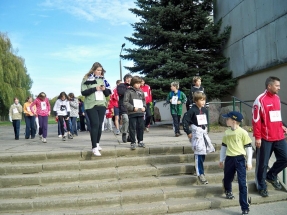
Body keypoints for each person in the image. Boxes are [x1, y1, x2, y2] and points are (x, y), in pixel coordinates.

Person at [252, 76, 287, 197]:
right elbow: (256, 120)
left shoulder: (277, 98)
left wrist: (281, 125)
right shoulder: (260, 100)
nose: (279, 88)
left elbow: (276, 116)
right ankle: (261, 186)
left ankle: (271, 175)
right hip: (265, 138)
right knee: (263, 163)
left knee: (285, 158)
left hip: (279, 136)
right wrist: (257, 137)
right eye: (277, 85)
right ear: (269, 86)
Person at [219, 111, 253, 215]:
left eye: (227, 119)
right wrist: (221, 159)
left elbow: (248, 148)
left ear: (234, 121)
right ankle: (228, 189)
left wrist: (249, 162)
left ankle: (245, 207)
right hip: (229, 159)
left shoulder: (243, 133)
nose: (226, 120)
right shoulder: (227, 133)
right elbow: (223, 147)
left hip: (240, 159)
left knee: (242, 183)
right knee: (228, 178)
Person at [182, 92, 215, 184]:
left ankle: (197, 167)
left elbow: (205, 121)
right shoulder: (192, 110)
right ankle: (200, 174)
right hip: (196, 134)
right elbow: (185, 121)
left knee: (203, 152)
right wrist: (188, 132)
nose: (203, 102)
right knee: (199, 153)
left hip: (203, 134)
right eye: (201, 100)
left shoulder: (204, 110)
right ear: (196, 101)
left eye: (204, 100)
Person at [81, 62, 111, 156]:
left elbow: (108, 93)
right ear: (93, 70)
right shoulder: (86, 78)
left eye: (101, 70)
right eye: (98, 70)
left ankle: (97, 144)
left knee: (99, 125)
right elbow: (83, 92)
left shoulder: (103, 79)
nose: (99, 72)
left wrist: (103, 89)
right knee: (95, 124)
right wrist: (95, 88)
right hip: (91, 105)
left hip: (101, 104)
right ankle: (94, 147)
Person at [123, 76, 146, 150]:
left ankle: (140, 141)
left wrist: (144, 107)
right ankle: (133, 142)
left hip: (140, 112)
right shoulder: (128, 91)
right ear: (133, 83)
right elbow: (125, 102)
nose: (139, 85)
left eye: (140, 83)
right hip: (132, 113)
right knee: (132, 128)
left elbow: (144, 100)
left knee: (141, 127)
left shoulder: (141, 91)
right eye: (137, 83)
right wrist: (132, 108)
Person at [117, 74, 132, 143]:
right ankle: (124, 133)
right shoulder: (121, 86)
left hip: (131, 106)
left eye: (130, 78)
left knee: (131, 121)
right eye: (128, 78)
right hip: (123, 106)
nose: (129, 80)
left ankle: (130, 136)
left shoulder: (133, 86)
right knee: (126, 119)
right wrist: (128, 88)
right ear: (125, 79)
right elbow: (121, 92)